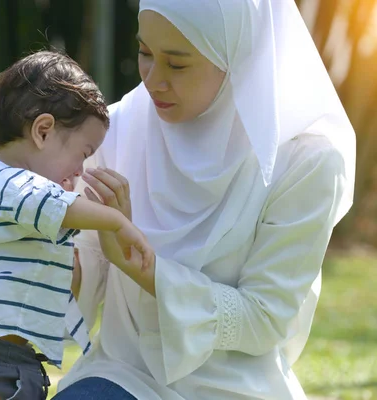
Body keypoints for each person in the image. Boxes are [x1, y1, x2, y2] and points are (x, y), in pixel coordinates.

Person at [53, 1, 356, 399]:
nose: (153, 80)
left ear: (235, 57)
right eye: (145, 53)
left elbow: (265, 318)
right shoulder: (119, 127)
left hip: (232, 387)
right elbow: (88, 263)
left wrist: (146, 269)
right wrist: (56, 259)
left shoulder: (305, 162)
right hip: (125, 373)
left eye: (177, 65)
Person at [0, 51, 154, 400]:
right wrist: (116, 221)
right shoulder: (3, 180)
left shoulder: (8, 200)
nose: (81, 170)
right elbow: (54, 205)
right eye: (83, 152)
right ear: (43, 130)